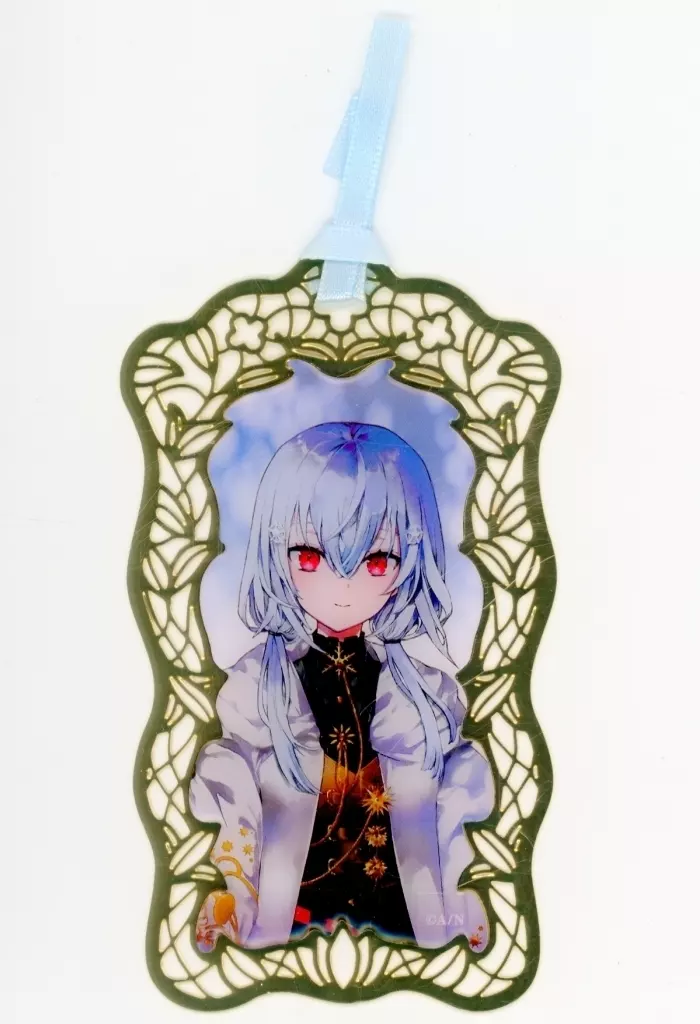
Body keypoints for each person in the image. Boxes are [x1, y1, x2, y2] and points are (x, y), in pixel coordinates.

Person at [190, 422, 494, 951]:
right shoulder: (256, 688)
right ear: (276, 552)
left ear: (408, 564)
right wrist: (236, 893)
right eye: (310, 557)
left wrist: (457, 902)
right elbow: (233, 793)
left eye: (377, 562)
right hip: (290, 924)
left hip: (403, 926)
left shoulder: (428, 695)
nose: (343, 587)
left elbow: (452, 811)